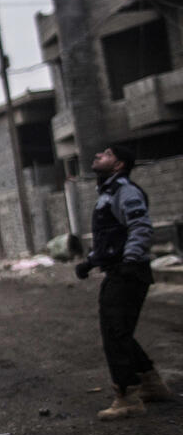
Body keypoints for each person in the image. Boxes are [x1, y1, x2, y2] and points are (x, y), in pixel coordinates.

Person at [74, 145, 172, 420]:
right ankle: (151, 384)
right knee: (119, 332)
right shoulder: (108, 193)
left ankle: (127, 396)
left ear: (118, 165)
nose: (97, 156)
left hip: (129, 272)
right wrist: (90, 262)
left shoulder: (125, 191)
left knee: (114, 334)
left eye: (106, 154)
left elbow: (140, 227)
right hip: (119, 269)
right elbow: (109, 239)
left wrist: (130, 260)